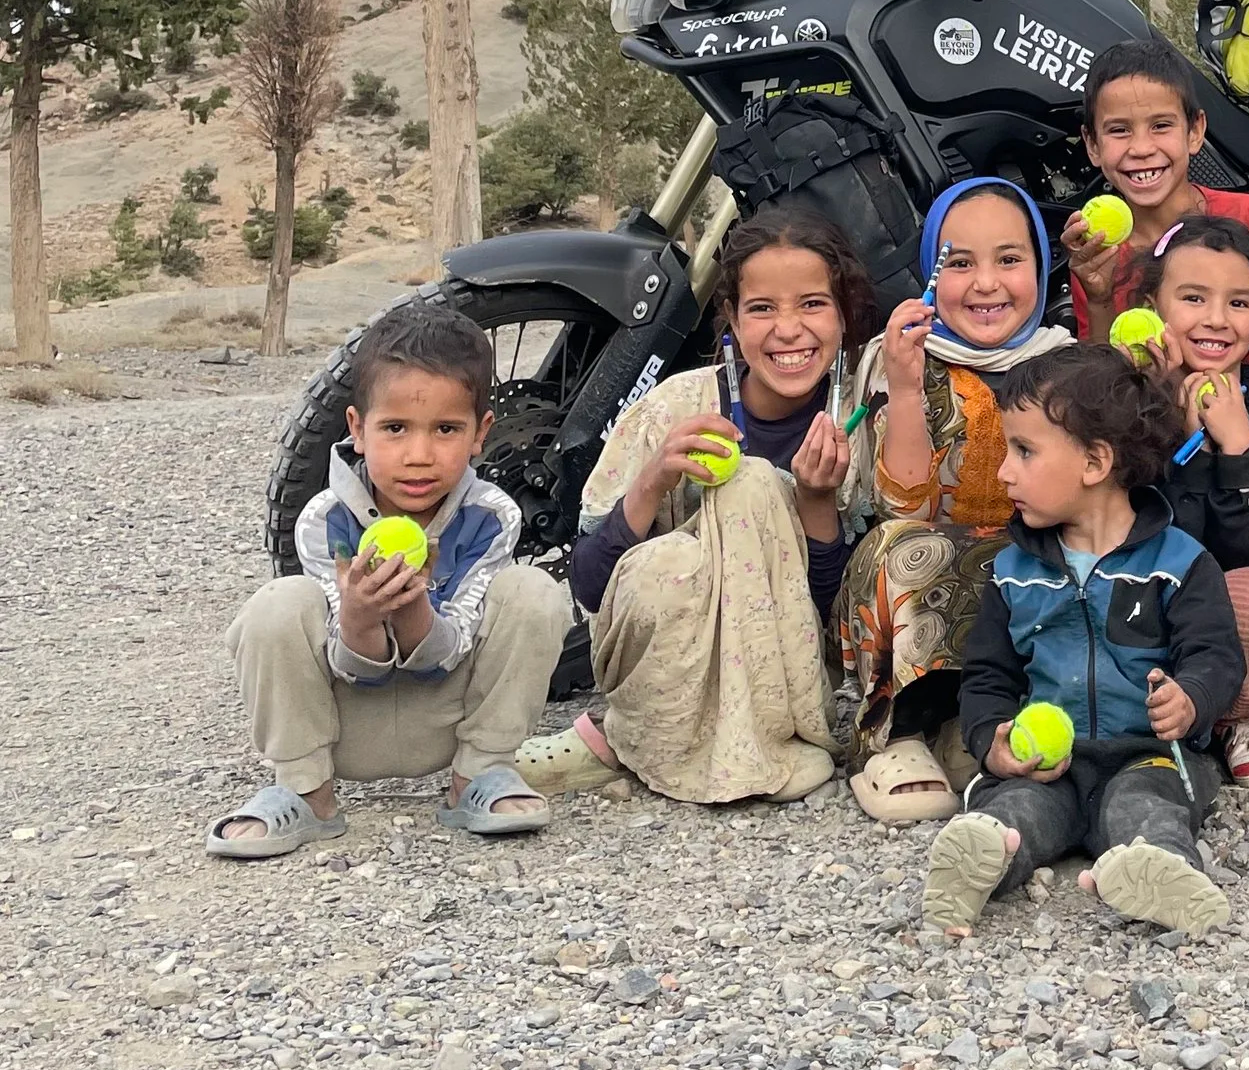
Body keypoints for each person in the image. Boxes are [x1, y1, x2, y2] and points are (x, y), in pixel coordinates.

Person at [518, 206, 864, 805]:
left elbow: (833, 615)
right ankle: (662, 738)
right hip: (666, 668)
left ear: (843, 315)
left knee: (751, 483)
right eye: (762, 308)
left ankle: (629, 745)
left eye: (812, 304)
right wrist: (652, 482)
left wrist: (815, 500)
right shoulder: (672, 408)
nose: (788, 330)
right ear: (731, 317)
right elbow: (593, 588)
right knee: (673, 556)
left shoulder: (858, 420)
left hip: (786, 676)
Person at [209, 300, 568, 857]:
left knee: (533, 594)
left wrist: (412, 608)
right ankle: (306, 793)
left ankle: (478, 778)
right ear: (358, 428)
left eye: (446, 429)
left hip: (448, 719)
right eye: (395, 428)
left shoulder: (493, 516)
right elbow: (352, 666)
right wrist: (359, 615)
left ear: (480, 433)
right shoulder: (325, 520)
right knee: (278, 603)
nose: (419, 455)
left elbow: (449, 651)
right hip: (347, 724)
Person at [921, 346, 1245, 938]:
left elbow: (1217, 656)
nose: (1004, 471)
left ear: (1095, 462)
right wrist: (992, 744)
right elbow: (988, 676)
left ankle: (1162, 873)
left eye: (1024, 451)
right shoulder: (1013, 572)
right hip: (1050, 764)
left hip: (1147, 754)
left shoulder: (1180, 564)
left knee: (1145, 807)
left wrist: (1191, 699)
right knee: (1016, 809)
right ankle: (978, 866)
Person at [1060, 37, 1249, 633]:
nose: (1141, 148)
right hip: (1161, 450)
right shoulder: (1099, 251)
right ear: (1092, 145)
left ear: (1195, 131)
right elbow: (1101, 398)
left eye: (1161, 125)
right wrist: (1098, 296)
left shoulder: (1247, 221)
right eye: (1118, 131)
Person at [836, 178, 1074, 822]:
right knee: (901, 547)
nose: (986, 283)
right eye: (960, 263)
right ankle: (901, 734)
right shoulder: (904, 357)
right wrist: (906, 389)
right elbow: (903, 509)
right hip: (923, 572)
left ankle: (976, 727)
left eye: (1009, 258)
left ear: (1041, 266)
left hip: (1030, 568)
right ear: (931, 275)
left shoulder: (1067, 365)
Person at [1130, 214, 1249, 786]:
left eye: (1239, 303)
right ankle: (1135, 707)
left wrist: (1237, 450)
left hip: (1230, 605)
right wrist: (1186, 448)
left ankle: (1244, 712)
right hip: (1137, 600)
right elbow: (1129, 532)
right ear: (1152, 307)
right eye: (1193, 298)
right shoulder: (1121, 405)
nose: (1216, 319)